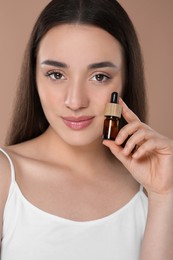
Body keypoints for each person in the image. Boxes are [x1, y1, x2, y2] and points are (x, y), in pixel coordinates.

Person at [0, 0, 173, 259]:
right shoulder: (5, 178)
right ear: (34, 75)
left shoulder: (154, 188)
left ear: (126, 79)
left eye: (99, 76)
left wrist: (164, 195)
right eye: (56, 74)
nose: (75, 101)